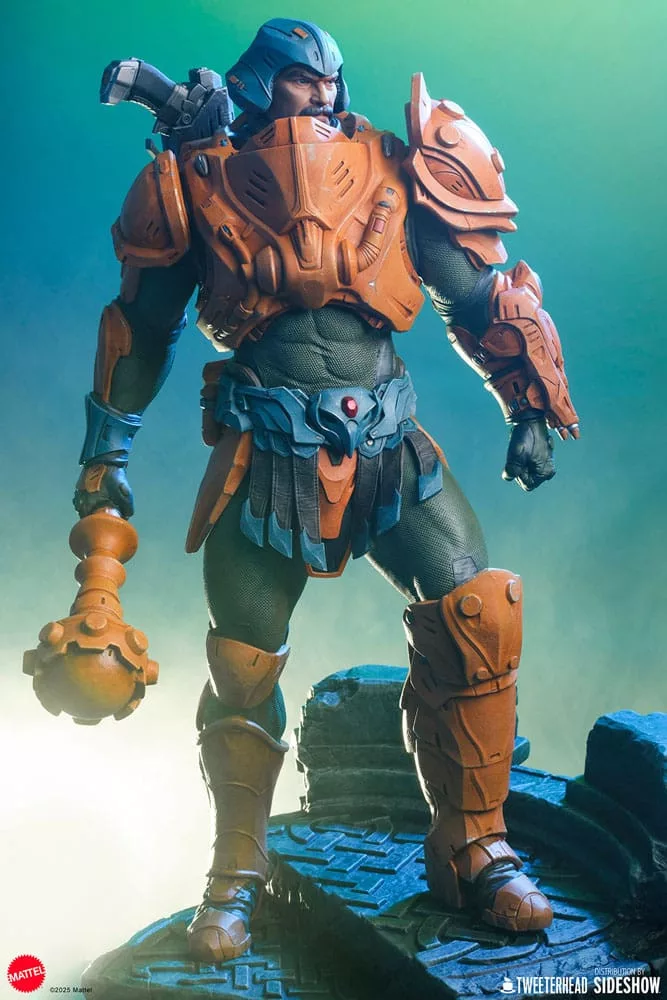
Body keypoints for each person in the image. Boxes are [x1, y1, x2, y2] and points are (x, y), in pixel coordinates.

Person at [73, 18, 579, 963]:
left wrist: (529, 404)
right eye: (300, 80)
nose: (322, 95)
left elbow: (476, 294)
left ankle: (474, 848)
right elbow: (141, 328)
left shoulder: (392, 167)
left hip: (389, 444)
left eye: (330, 80)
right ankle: (236, 872)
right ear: (257, 83)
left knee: (477, 612)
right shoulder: (194, 179)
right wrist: (108, 451)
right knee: (243, 668)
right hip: (266, 452)